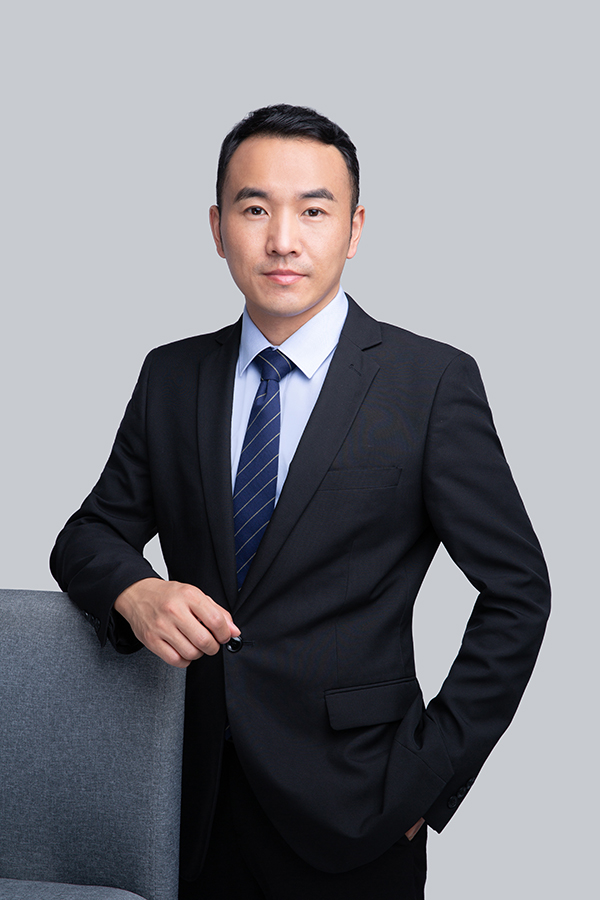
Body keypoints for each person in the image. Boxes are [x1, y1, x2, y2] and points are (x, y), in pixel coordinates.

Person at [51, 104, 550, 899]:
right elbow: (88, 534)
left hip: (359, 803)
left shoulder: (430, 383)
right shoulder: (171, 376)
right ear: (217, 228)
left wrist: (427, 777)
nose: (283, 240)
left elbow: (518, 592)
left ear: (354, 229)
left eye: (313, 211)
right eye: (255, 209)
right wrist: (135, 591)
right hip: (188, 801)